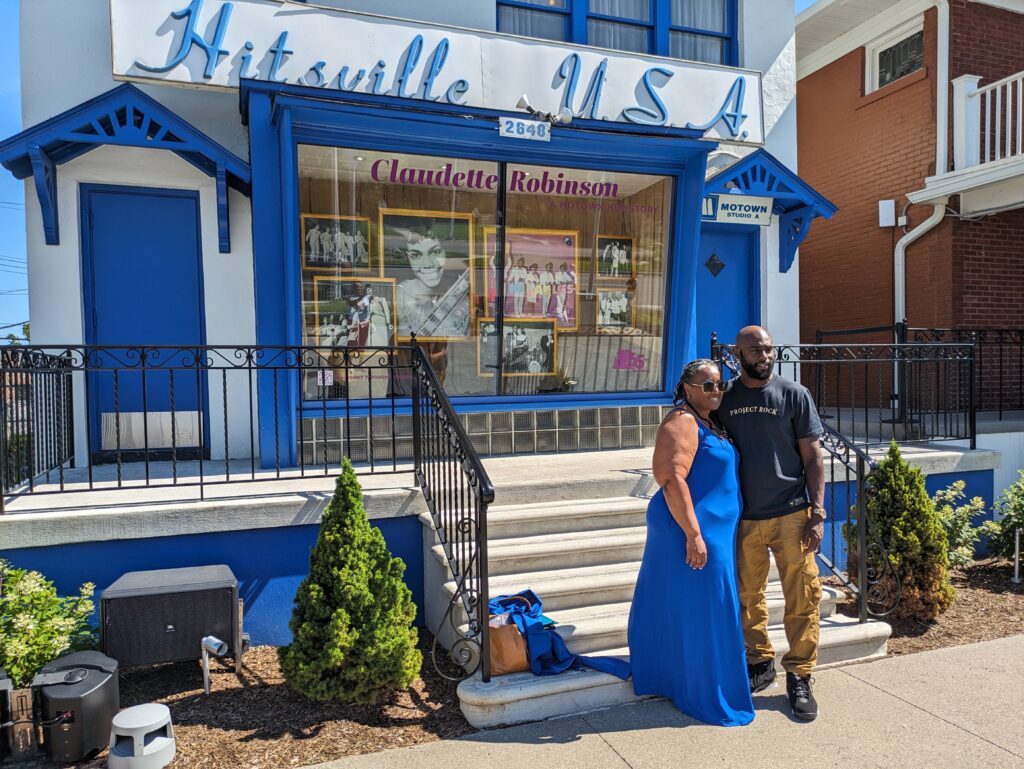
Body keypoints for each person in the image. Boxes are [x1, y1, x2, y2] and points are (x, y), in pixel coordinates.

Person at [628, 359, 755, 727]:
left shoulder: (709, 420)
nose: (716, 392)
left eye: (720, 385)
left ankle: (672, 678)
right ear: (686, 387)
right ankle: (701, 690)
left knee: (693, 608)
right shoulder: (682, 421)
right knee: (705, 611)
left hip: (712, 529)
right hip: (688, 529)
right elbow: (671, 479)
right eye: (707, 385)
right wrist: (694, 535)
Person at [715, 325, 826, 722]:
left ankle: (800, 674)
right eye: (755, 351)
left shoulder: (794, 394)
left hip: (793, 513)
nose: (764, 357)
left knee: (803, 596)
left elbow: (813, 456)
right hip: (744, 517)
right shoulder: (724, 398)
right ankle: (759, 661)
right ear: (737, 354)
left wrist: (818, 512)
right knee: (748, 597)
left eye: (768, 350)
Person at [388, 217, 470, 339]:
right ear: (408, 260)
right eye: (416, 255)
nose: (427, 264)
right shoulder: (401, 294)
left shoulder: (460, 293)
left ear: (445, 253)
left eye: (434, 252)